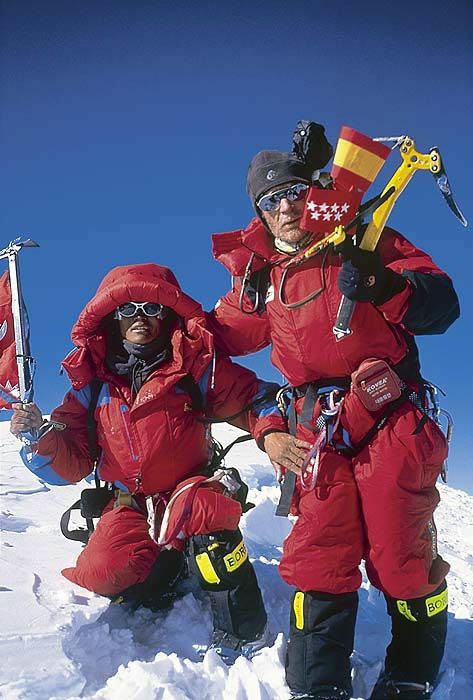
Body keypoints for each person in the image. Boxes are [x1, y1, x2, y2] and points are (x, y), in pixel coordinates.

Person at [206, 122, 460, 698]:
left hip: (391, 414)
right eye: (270, 200)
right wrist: (149, 331)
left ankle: (413, 673)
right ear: (260, 213)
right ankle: (315, 682)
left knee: (401, 551)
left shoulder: (364, 240)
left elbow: (442, 305)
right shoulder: (262, 280)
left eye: (294, 190)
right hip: (317, 430)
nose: (285, 206)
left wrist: (383, 286)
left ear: (313, 191)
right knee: (320, 550)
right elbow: (211, 343)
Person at [10, 262, 290, 664]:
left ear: (167, 314)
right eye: (127, 309)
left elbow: (256, 398)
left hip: (190, 493)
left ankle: (244, 630)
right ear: (111, 321)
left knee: (205, 512)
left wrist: (272, 432)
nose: (139, 317)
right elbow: (70, 465)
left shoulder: (194, 367)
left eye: (151, 308)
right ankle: (171, 568)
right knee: (104, 573)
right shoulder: (93, 387)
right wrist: (41, 438)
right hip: (131, 504)